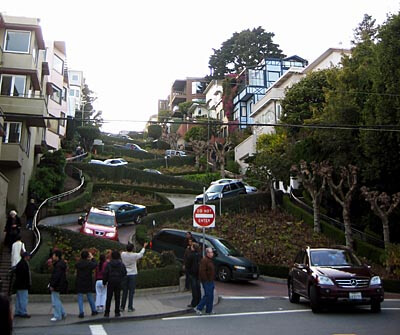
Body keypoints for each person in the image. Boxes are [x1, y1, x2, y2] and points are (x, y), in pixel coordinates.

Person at [120, 242, 148, 312]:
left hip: (125, 274)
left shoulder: (123, 254)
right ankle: (130, 307)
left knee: (124, 291)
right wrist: (144, 247)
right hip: (132, 274)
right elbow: (141, 254)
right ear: (132, 249)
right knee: (131, 292)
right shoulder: (134, 255)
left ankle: (122, 307)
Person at [103, 250, 127, 317]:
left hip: (110, 281)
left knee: (109, 297)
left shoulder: (109, 264)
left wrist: (104, 282)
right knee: (117, 297)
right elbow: (124, 272)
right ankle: (117, 311)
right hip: (118, 281)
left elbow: (105, 273)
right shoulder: (121, 264)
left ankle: (107, 312)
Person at [75, 250, 98, 318]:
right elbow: (96, 264)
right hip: (88, 281)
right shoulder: (89, 263)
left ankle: (81, 312)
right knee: (90, 296)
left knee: (80, 297)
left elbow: (76, 266)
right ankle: (93, 310)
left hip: (80, 281)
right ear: (87, 256)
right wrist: (92, 257)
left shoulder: (78, 264)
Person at [194, 247, 215, 315]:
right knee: (207, 295)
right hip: (207, 281)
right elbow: (202, 271)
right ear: (207, 253)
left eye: (212, 252)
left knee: (211, 295)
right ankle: (199, 307)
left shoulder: (210, 260)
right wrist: (206, 279)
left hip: (211, 280)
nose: (212, 254)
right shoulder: (204, 261)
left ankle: (209, 310)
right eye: (211, 252)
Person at [49, 250, 68, 321]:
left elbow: (56, 276)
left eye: (54, 255)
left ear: (57, 256)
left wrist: (52, 285)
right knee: (57, 299)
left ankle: (57, 315)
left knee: (55, 300)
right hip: (60, 284)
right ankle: (62, 313)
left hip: (57, 285)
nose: (52, 256)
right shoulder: (61, 264)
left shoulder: (58, 265)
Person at [14, 251, 31, 318]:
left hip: (19, 285)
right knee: (23, 299)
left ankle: (17, 311)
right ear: (25, 257)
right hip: (23, 285)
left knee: (19, 299)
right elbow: (25, 276)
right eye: (28, 256)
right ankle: (23, 312)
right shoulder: (24, 264)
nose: (29, 257)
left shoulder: (20, 264)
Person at [186, 243, 201, 308]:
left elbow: (188, 264)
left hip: (192, 273)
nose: (190, 247)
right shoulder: (200, 255)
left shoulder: (191, 255)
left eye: (192, 247)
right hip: (198, 274)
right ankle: (199, 301)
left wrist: (188, 271)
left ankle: (194, 303)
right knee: (198, 288)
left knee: (194, 289)